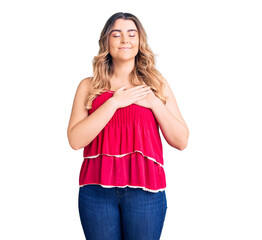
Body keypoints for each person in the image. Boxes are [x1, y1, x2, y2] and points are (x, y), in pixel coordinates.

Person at [67, 12, 189, 240]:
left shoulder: (155, 84)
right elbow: (75, 140)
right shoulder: (88, 86)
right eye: (117, 34)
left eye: (131, 34)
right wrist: (114, 103)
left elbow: (181, 141)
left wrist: (153, 102)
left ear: (140, 41)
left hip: (146, 191)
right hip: (96, 192)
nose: (125, 39)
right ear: (107, 42)